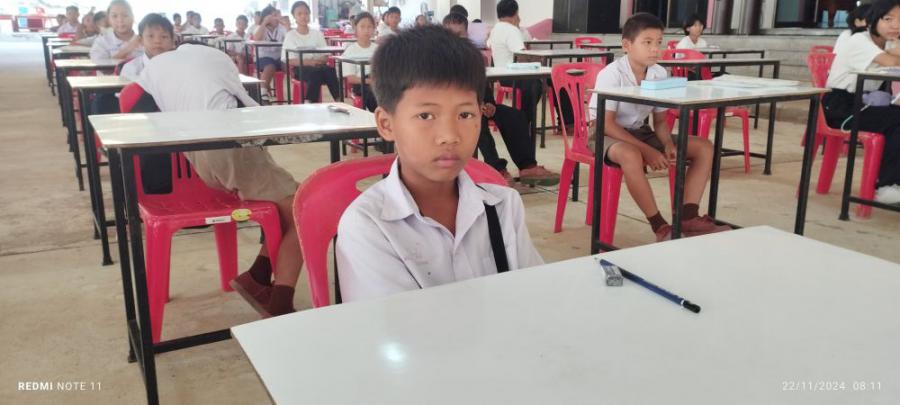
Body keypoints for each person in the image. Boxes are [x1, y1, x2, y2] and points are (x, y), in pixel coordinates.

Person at [335, 26, 544, 302]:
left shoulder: (503, 206)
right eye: (426, 116)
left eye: (465, 114)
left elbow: (534, 297)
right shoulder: (368, 225)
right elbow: (393, 325)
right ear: (386, 124)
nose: (450, 136)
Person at [136, 44, 303, 317]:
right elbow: (247, 108)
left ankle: (258, 277)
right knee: (304, 209)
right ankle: (279, 306)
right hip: (229, 151)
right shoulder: (213, 60)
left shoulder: (152, 73)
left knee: (289, 203)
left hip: (200, 162)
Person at [588, 13, 730, 241]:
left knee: (704, 147)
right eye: (647, 42)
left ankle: (687, 217)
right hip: (605, 132)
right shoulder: (611, 74)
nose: (655, 49)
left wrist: (666, 143)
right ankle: (660, 226)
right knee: (631, 154)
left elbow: (661, 121)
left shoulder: (659, 73)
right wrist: (648, 151)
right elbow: (606, 124)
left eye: (659, 42)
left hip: (640, 131)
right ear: (626, 45)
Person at [443, 12, 559, 186]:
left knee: (515, 116)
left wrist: (489, 104)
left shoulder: (473, 58)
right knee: (477, 121)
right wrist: (473, 106)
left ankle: (527, 166)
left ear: (467, 34)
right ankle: (496, 169)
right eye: (450, 35)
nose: (455, 40)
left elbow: (483, 84)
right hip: (453, 110)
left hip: (479, 105)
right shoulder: (438, 60)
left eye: (460, 35)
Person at [823, 0, 900, 204]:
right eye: (888, 19)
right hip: (840, 108)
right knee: (897, 120)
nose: (896, 25)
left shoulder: (887, 42)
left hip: (867, 103)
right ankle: (886, 186)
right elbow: (891, 62)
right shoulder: (859, 40)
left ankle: (893, 183)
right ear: (873, 20)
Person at [283, 1, 341, 103]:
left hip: (319, 65)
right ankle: (309, 102)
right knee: (316, 73)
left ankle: (339, 100)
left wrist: (318, 62)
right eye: (299, 14)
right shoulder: (290, 35)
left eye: (306, 13)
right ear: (294, 16)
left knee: (330, 70)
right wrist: (310, 62)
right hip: (301, 68)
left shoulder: (317, 34)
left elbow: (325, 55)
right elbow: (289, 59)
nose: (303, 16)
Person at [339, 12, 378, 111]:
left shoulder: (378, 49)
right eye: (362, 27)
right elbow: (351, 79)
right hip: (360, 83)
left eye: (369, 27)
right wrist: (370, 81)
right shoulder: (350, 51)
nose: (366, 30)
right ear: (355, 28)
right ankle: (377, 115)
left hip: (377, 80)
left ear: (374, 29)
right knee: (371, 91)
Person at [120, 13, 175, 81]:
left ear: (172, 41)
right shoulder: (130, 69)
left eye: (164, 36)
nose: (157, 41)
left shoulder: (179, 67)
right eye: (150, 36)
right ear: (141, 40)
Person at [253, 5, 288, 101]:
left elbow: (290, 37)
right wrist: (264, 22)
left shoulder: (281, 28)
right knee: (270, 66)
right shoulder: (260, 27)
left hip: (279, 58)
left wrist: (285, 24)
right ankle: (263, 95)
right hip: (263, 58)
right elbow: (256, 38)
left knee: (289, 66)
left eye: (278, 15)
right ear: (267, 17)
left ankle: (300, 91)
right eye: (274, 15)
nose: (277, 18)